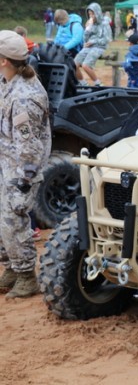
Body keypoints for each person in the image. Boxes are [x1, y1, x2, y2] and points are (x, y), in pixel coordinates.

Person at [0, 30, 51, 298]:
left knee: (14, 220)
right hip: (6, 162)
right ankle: (11, 266)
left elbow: (29, 146)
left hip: (20, 170)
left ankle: (26, 275)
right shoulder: (7, 81)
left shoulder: (24, 98)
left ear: (4, 61)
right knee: (3, 221)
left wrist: (24, 181)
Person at [74, 2, 111, 86]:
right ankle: (83, 83)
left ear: (97, 13)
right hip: (88, 47)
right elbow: (85, 39)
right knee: (74, 64)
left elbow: (107, 39)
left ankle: (98, 83)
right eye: (89, 14)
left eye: (92, 14)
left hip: (99, 47)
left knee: (85, 65)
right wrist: (87, 29)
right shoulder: (91, 24)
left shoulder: (104, 24)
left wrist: (93, 42)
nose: (91, 16)